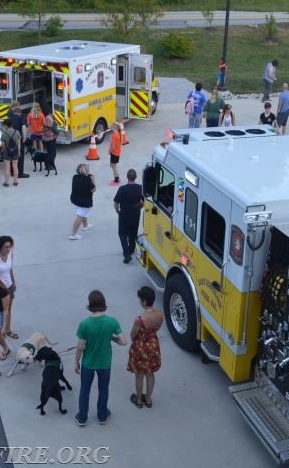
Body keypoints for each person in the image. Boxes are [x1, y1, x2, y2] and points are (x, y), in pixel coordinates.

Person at [74, 290, 127, 426]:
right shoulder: (111, 322)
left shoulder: (84, 324)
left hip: (88, 363)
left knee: (85, 390)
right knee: (103, 389)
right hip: (104, 363)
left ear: (90, 305)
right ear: (104, 304)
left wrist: (76, 362)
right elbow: (123, 341)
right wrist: (112, 338)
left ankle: (82, 418)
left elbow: (80, 347)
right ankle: (102, 416)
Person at [127, 286, 164, 409]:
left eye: (140, 300)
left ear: (144, 301)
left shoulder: (140, 319)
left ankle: (138, 400)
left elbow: (133, 336)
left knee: (139, 374)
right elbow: (156, 328)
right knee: (150, 373)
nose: (139, 302)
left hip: (140, 348)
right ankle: (148, 399)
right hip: (153, 345)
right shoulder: (159, 314)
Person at [0, 236, 18, 340]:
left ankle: (7, 330)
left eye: (10, 246)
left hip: (9, 287)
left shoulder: (10, 254)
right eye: (6, 247)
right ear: (0, 247)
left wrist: (13, 282)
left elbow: (10, 270)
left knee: (8, 310)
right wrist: (2, 286)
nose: (8, 249)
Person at [113, 169, 144, 263]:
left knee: (122, 233)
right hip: (135, 213)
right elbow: (145, 200)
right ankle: (131, 249)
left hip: (124, 213)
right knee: (133, 232)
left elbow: (116, 202)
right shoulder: (140, 188)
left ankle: (126, 254)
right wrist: (140, 206)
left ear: (127, 177)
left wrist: (117, 210)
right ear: (135, 177)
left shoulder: (122, 189)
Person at [70, 163, 96, 240]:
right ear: (82, 171)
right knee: (80, 216)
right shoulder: (88, 181)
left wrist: (89, 178)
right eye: (87, 170)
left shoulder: (75, 177)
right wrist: (93, 181)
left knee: (84, 213)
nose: (89, 171)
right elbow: (94, 189)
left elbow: (85, 179)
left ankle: (85, 226)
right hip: (84, 201)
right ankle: (73, 234)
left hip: (75, 199)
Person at [6, 105, 29, 180]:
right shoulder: (21, 117)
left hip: (10, 138)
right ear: (19, 112)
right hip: (18, 138)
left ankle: (13, 172)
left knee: (12, 155)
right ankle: (20, 173)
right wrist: (24, 137)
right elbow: (23, 127)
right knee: (20, 156)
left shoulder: (10, 117)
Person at [0, 118, 21, 187]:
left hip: (6, 152)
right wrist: (19, 152)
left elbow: (2, 144)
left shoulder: (3, 133)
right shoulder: (17, 132)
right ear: (12, 124)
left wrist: (3, 151)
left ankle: (6, 183)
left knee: (7, 167)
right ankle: (15, 182)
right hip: (15, 151)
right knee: (15, 166)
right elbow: (18, 143)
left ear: (6, 125)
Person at [42, 110, 58, 175]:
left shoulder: (48, 118)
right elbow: (55, 129)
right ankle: (48, 165)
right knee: (51, 153)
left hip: (50, 138)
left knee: (52, 152)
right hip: (50, 138)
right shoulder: (49, 119)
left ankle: (50, 165)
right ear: (50, 112)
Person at [108, 121, 122, 186]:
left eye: (111, 126)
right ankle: (117, 178)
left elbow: (113, 146)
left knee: (113, 166)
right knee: (113, 165)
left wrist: (109, 151)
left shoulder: (115, 135)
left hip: (114, 153)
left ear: (114, 127)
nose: (110, 127)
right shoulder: (117, 133)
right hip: (117, 152)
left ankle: (116, 180)